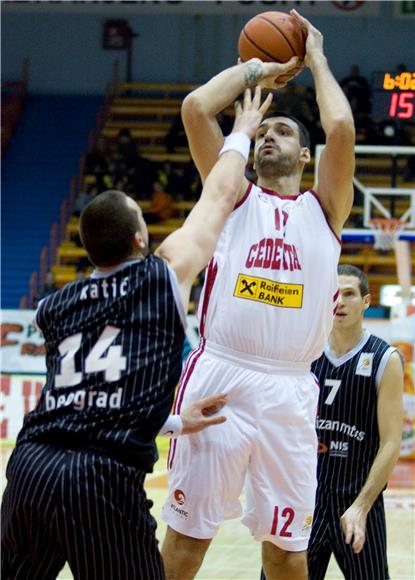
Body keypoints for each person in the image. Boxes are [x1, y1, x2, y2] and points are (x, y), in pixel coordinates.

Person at [1, 86, 276, 580]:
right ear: (139, 238)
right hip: (101, 476)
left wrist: (173, 421)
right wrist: (240, 132)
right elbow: (218, 195)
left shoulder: (54, 307)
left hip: (31, 468)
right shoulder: (160, 276)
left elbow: (83, 402)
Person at [161, 9, 355, 580]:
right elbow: (197, 108)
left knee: (287, 551)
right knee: (186, 541)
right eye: (262, 131)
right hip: (221, 372)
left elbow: (340, 130)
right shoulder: (230, 195)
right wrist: (256, 71)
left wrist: (314, 58)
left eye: (284, 132)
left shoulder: (325, 210)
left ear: (304, 158)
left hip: (291, 390)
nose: (268, 135)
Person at [307, 265, 404, 580]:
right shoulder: (305, 351)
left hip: (359, 501)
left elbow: (391, 442)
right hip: (305, 499)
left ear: (366, 301)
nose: (340, 301)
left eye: (349, 294)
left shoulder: (383, 358)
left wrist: (362, 506)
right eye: (334, 294)